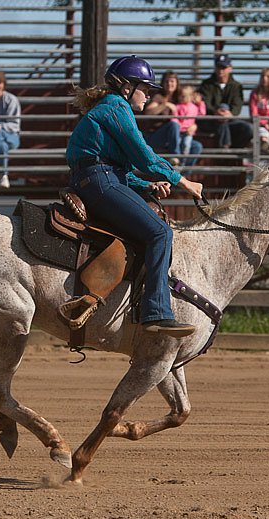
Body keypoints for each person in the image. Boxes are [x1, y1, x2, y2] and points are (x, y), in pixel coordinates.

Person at [65, 55, 203, 337]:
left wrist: (147, 186)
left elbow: (118, 169)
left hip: (97, 179)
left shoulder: (108, 108)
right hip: (100, 181)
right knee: (161, 234)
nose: (149, 95)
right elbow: (144, 157)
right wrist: (183, 181)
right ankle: (155, 313)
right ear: (127, 87)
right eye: (147, 89)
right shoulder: (117, 107)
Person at [197, 54, 254, 149]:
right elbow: (205, 102)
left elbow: (237, 105)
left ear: (230, 69)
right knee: (222, 119)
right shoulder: (206, 84)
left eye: (223, 67)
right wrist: (216, 112)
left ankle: (232, 150)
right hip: (210, 120)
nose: (221, 70)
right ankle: (225, 151)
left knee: (248, 128)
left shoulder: (236, 86)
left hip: (229, 120)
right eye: (218, 67)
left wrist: (229, 114)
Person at [144, 71, 181, 161]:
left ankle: (180, 170)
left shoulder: (180, 97)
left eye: (172, 81)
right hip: (156, 135)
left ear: (176, 83)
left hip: (176, 136)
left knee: (197, 146)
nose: (169, 84)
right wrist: (165, 105)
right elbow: (148, 112)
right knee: (173, 125)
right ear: (163, 83)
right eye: (166, 81)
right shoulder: (158, 97)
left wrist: (193, 126)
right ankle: (175, 156)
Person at [172, 85, 205, 168]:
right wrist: (178, 125)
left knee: (186, 145)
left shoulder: (194, 107)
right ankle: (176, 160)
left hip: (189, 132)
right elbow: (174, 118)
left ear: (191, 97)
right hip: (179, 131)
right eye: (181, 96)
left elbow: (202, 114)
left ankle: (182, 163)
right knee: (177, 144)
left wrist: (200, 103)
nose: (182, 98)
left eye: (184, 96)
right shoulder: (177, 106)